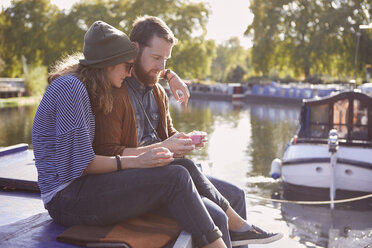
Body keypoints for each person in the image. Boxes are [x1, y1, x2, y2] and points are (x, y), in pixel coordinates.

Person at [32, 20, 233, 248]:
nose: (129, 74)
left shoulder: (86, 85)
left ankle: (232, 230)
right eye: (127, 66)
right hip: (66, 199)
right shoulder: (71, 88)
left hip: (84, 187)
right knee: (175, 178)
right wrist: (136, 160)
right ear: (108, 63)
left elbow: (145, 68)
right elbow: (82, 165)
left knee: (183, 169)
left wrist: (169, 74)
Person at [93, 16, 283, 247]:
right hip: (138, 180)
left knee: (236, 194)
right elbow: (108, 152)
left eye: (166, 59)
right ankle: (241, 228)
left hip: (168, 171)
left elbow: (168, 136)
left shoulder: (158, 93)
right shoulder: (116, 90)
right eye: (156, 58)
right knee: (217, 214)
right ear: (135, 49)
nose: (162, 67)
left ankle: (242, 232)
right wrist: (167, 147)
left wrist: (184, 141)